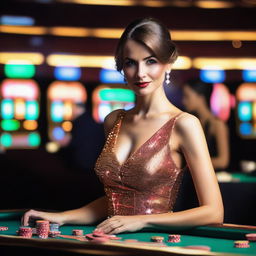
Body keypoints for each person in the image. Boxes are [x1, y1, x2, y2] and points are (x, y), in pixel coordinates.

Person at [22, 17, 223, 234]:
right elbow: (114, 201)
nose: (140, 73)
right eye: (130, 62)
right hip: (110, 239)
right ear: (121, 67)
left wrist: (142, 221)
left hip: (154, 244)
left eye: (151, 61)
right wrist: (60, 217)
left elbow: (213, 212)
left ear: (168, 63)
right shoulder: (113, 120)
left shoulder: (184, 124)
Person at [182, 80, 230, 171]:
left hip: (215, 178)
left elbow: (223, 161)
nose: (184, 101)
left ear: (201, 98)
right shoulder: (192, 122)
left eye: (187, 96)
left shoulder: (217, 125)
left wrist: (191, 164)